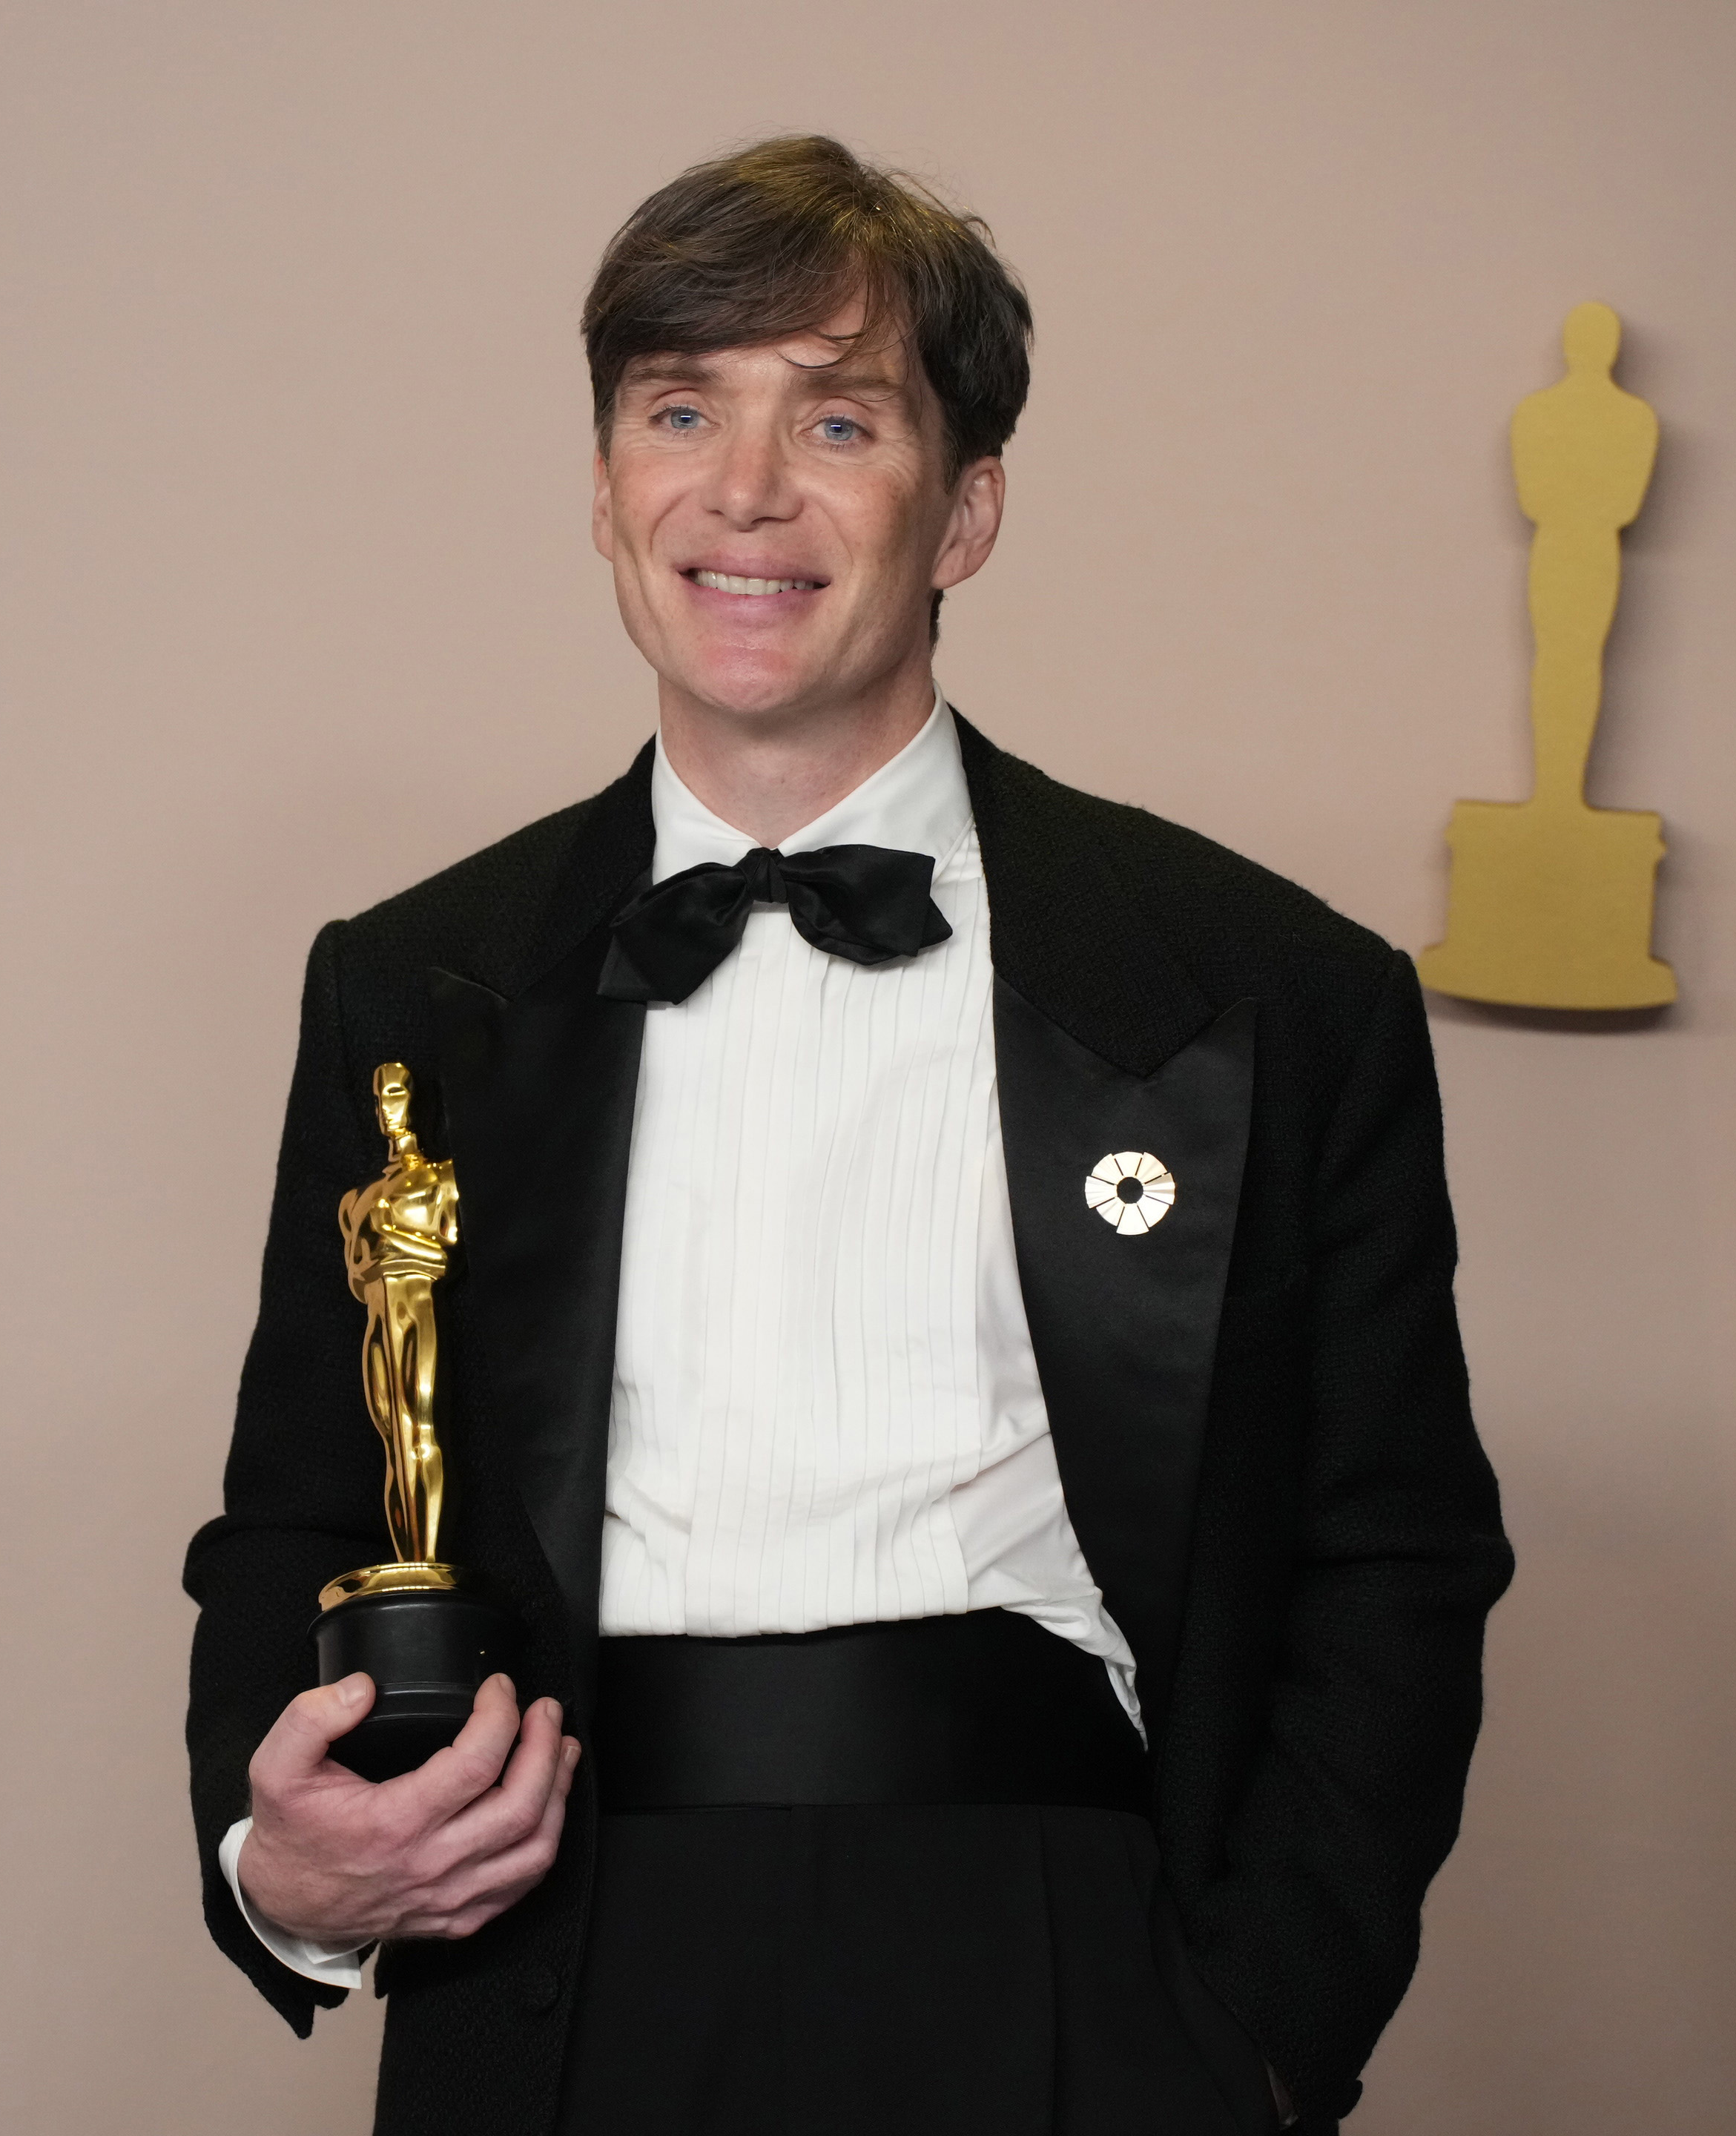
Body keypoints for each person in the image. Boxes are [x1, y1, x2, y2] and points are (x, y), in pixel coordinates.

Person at [182, 135, 1513, 2136]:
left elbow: (1390, 1555)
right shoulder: (415, 986)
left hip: (1068, 1961)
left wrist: (1251, 2034)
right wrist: (277, 1875)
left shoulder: (1267, 988)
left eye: (841, 418)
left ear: (966, 508)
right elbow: (296, 1508)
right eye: (681, 410)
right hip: (550, 1960)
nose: (744, 489)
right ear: (607, 488)